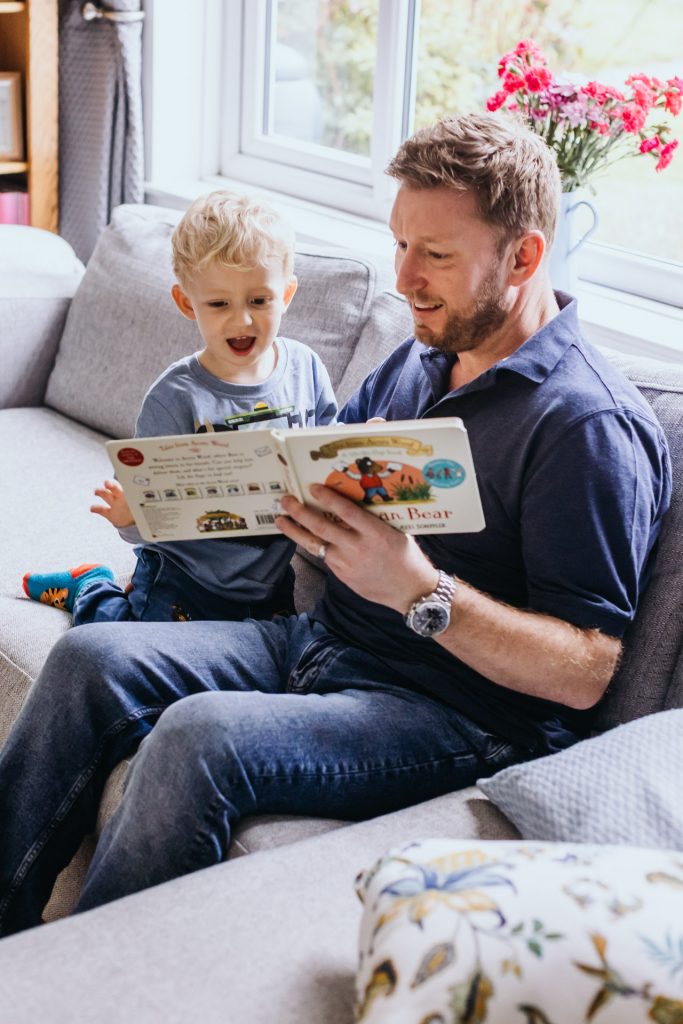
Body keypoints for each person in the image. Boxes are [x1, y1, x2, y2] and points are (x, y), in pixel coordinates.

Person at [0, 113, 671, 937]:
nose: (405, 278)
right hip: (319, 640)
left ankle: (75, 989)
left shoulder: (585, 425)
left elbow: (587, 671)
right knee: (86, 658)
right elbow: (311, 474)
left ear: (524, 256)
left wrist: (422, 591)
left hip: (452, 713)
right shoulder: (422, 354)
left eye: (436, 255)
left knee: (200, 737)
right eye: (398, 246)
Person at [21, 190, 337, 624]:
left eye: (259, 301)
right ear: (187, 303)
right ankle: (91, 587)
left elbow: (326, 451)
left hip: (268, 583)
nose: (242, 320)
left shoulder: (306, 369)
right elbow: (145, 507)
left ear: (287, 294)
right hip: (183, 580)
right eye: (219, 303)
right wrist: (127, 516)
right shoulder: (175, 397)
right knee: (123, 639)